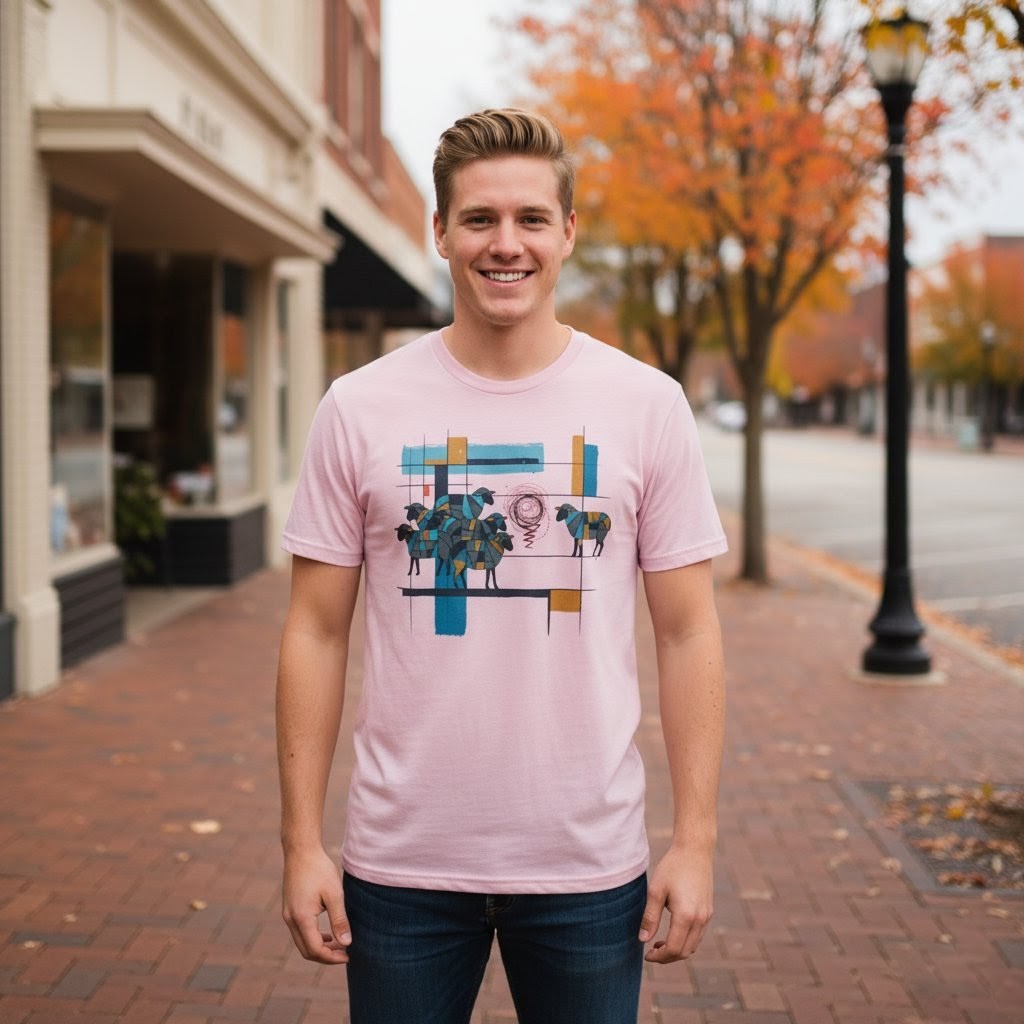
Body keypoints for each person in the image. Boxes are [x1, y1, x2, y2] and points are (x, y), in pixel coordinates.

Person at [276, 108, 727, 1024]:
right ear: (438, 232)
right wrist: (300, 843)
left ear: (568, 232)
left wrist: (696, 841)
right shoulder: (358, 408)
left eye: (530, 219)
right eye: (479, 219)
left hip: (587, 868)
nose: (505, 244)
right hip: (399, 867)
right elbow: (315, 630)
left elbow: (688, 632)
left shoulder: (647, 406)